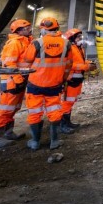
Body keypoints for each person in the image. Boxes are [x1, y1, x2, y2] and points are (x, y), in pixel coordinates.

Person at [23, 17, 72, 150]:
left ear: (44, 29)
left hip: (35, 84)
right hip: (55, 84)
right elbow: (68, 65)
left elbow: (27, 60)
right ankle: (54, 142)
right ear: (57, 29)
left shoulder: (37, 43)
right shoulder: (66, 44)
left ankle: (35, 142)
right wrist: (63, 79)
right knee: (54, 112)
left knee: (34, 112)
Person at [0, 19, 33, 148]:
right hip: (12, 82)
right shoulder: (15, 43)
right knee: (5, 109)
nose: (29, 29)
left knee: (14, 108)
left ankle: (8, 133)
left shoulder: (25, 42)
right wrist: (18, 80)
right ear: (19, 30)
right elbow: (9, 64)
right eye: (26, 28)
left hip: (19, 80)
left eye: (29, 27)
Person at [60, 28, 96, 134]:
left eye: (81, 36)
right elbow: (69, 64)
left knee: (71, 102)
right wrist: (86, 67)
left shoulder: (78, 48)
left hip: (77, 80)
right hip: (69, 80)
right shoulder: (69, 48)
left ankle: (67, 122)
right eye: (78, 37)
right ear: (72, 38)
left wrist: (90, 63)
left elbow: (81, 61)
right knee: (66, 103)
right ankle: (62, 125)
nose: (81, 38)